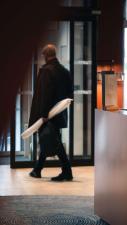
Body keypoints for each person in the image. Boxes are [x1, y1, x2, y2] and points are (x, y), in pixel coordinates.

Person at [28, 44, 73, 181]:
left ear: (46, 56)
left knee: (53, 141)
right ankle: (38, 169)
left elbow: (44, 95)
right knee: (51, 138)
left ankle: (67, 171)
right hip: (59, 112)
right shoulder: (65, 71)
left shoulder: (46, 71)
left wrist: (43, 115)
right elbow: (69, 93)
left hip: (48, 114)